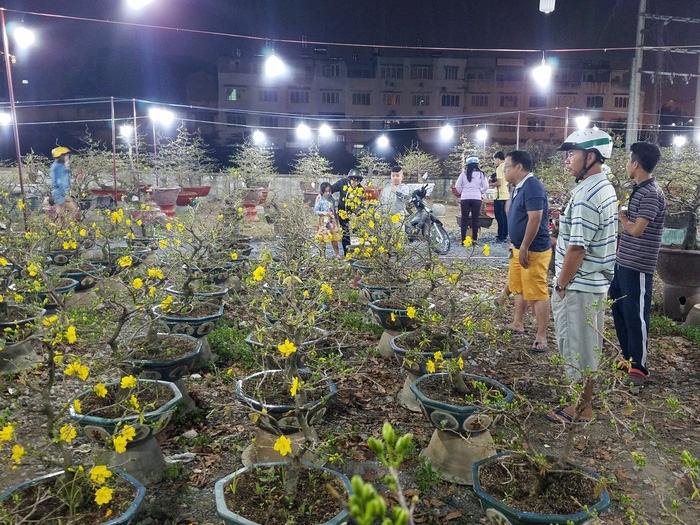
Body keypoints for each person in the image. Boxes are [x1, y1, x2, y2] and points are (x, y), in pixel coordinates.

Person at [550, 128, 617, 424]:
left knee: (576, 345)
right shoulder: (603, 187)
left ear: (591, 157)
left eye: (572, 153)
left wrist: (561, 284)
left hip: (578, 285)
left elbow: (577, 248)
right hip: (593, 283)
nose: (567, 160)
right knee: (588, 344)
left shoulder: (588, 194)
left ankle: (580, 408)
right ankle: (581, 403)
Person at [610, 142, 665, 387]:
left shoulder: (651, 193)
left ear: (636, 164)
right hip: (623, 262)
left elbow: (637, 230)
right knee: (620, 311)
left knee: (636, 316)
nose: (626, 165)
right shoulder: (639, 189)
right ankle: (627, 358)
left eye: (628, 160)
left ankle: (639, 367)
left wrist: (622, 217)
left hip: (639, 266)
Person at [502, 150, 552, 352]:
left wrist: (524, 246)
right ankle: (517, 323)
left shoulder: (533, 186)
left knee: (537, 291)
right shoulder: (518, 187)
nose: (504, 170)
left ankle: (542, 336)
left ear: (519, 167)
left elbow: (535, 219)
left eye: (506, 166)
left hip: (533, 249)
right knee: (519, 287)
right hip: (518, 246)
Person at [454, 155, 488, 245]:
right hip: (476, 198)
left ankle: (463, 240)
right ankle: (475, 240)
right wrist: (480, 192)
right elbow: (486, 186)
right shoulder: (481, 174)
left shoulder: (463, 174)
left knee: (464, 219)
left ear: (467, 164)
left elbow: (457, 186)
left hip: (465, 198)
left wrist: (462, 192)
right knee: (475, 219)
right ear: (477, 164)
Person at [330, 169, 365, 255]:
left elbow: (360, 203)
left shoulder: (360, 189)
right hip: (342, 212)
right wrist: (321, 194)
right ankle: (347, 254)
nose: (355, 183)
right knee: (345, 233)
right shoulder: (342, 183)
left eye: (358, 181)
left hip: (354, 214)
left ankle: (357, 252)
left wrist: (355, 213)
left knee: (357, 232)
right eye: (354, 180)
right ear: (349, 179)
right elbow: (330, 189)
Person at [50, 146, 79, 222]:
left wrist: (67, 168)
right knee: (74, 209)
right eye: (65, 155)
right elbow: (60, 181)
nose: (66, 157)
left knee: (59, 213)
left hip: (56, 192)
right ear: (60, 156)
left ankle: (59, 229)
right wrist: (64, 194)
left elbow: (63, 175)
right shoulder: (58, 167)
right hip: (60, 192)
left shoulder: (56, 165)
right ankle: (67, 225)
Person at [314, 182, 342, 258]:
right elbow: (315, 211)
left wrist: (336, 220)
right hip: (323, 223)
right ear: (322, 192)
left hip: (332, 222)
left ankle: (337, 254)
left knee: (334, 239)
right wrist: (322, 213)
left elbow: (333, 210)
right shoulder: (320, 200)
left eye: (329, 191)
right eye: (326, 191)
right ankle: (322, 256)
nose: (328, 193)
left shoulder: (332, 199)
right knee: (323, 240)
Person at [490, 151, 510, 242]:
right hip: (506, 194)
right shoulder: (507, 166)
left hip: (499, 195)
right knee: (504, 216)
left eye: (494, 160)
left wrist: (490, 184)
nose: (495, 162)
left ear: (498, 159)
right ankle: (505, 234)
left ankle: (500, 236)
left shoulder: (499, 168)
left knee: (499, 217)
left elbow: (499, 182)